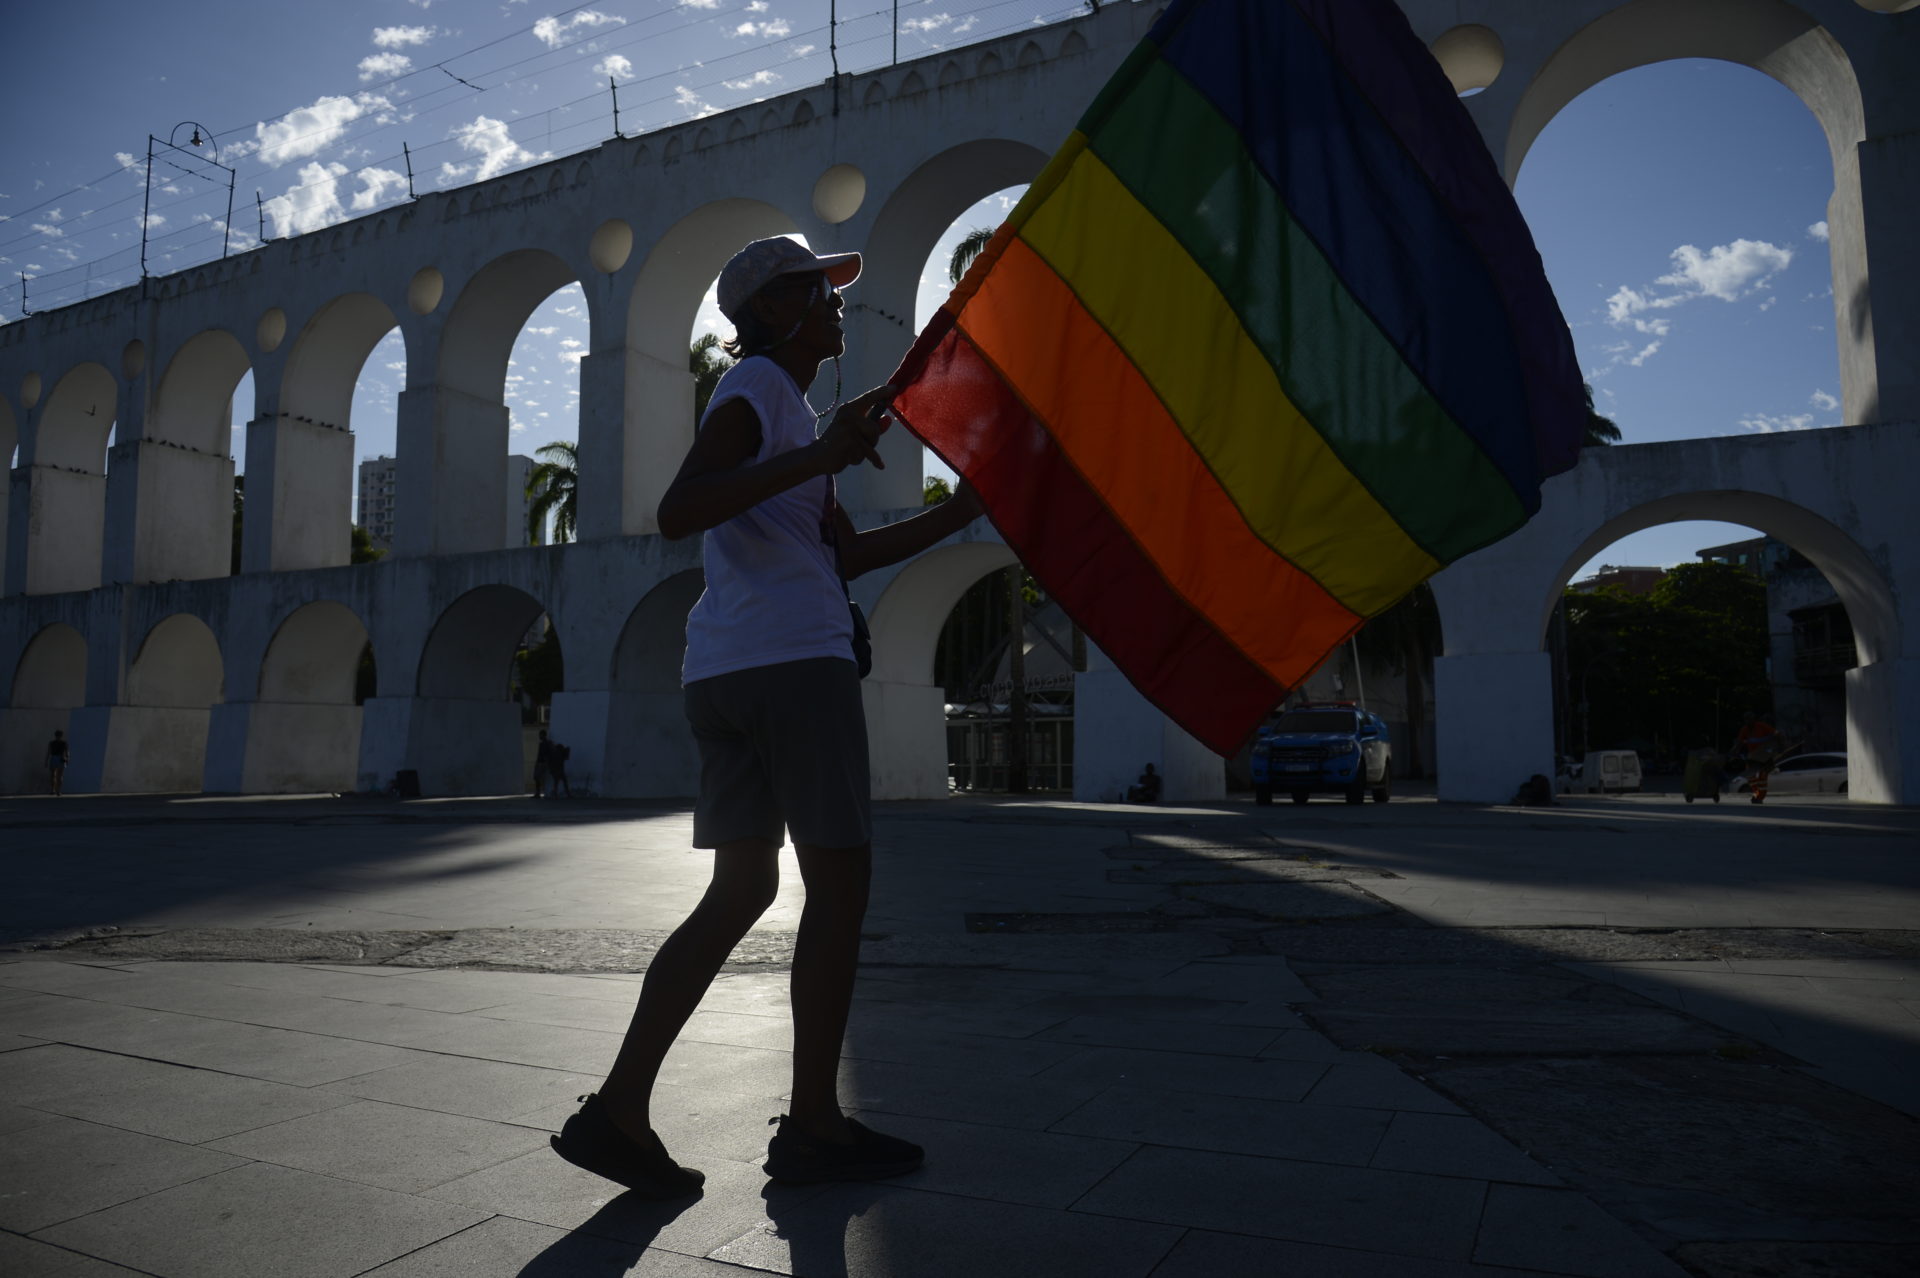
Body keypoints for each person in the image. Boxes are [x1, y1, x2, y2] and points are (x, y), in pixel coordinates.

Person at [549, 236, 982, 1197]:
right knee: (838, 888)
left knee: (742, 891)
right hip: (792, 669)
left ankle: (618, 1110)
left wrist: (964, 513)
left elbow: (850, 558)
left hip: (728, 671)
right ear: (775, 313)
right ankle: (816, 1127)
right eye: (818, 293)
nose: (836, 306)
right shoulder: (752, 389)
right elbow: (680, 509)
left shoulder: (783, 406)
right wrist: (816, 454)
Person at [533, 729, 557, 798]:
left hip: (543, 763)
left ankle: (539, 793)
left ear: (544, 735)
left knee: (539, 778)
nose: (539, 736)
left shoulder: (547, 743)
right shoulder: (542, 744)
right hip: (540, 762)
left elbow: (547, 753)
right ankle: (538, 793)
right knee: (537, 777)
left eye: (540, 735)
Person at [46, 728, 69, 796]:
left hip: (55, 758)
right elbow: (67, 752)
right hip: (60, 758)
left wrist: (46, 761)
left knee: (54, 775)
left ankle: (53, 790)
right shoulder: (64, 743)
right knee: (58, 776)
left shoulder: (52, 743)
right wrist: (67, 759)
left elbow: (48, 752)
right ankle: (57, 791)